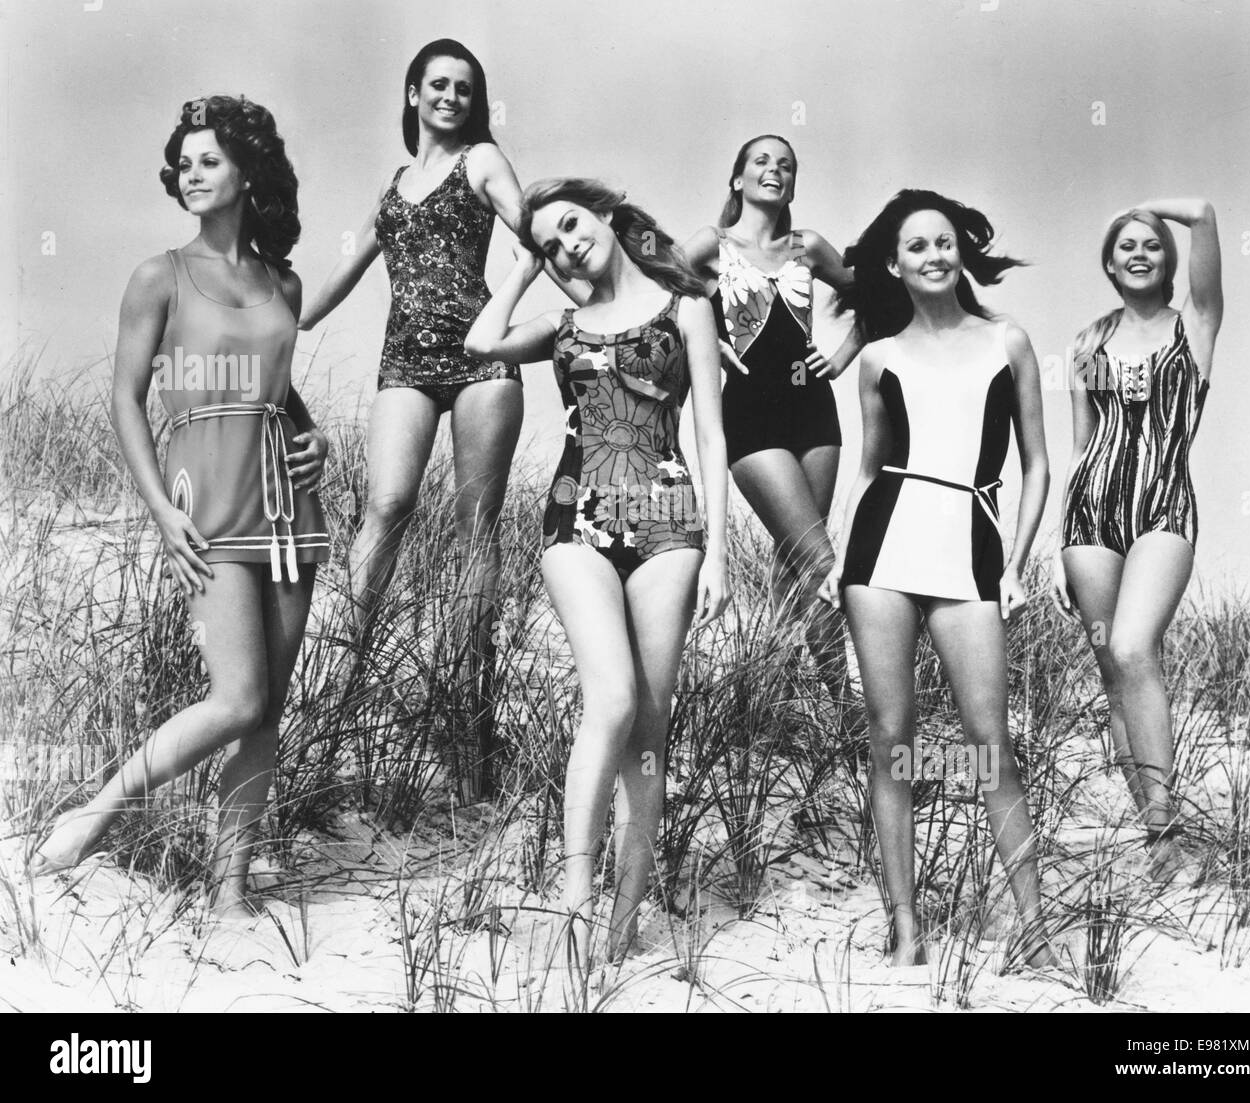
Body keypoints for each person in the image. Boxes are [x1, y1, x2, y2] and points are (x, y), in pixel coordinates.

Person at [32, 95, 329, 919]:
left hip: (287, 507)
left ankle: (230, 889)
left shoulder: (285, 282)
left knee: (266, 709)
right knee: (233, 695)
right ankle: (95, 813)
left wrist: (315, 440)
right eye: (184, 163)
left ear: (247, 171)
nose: (191, 174)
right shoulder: (158, 275)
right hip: (205, 506)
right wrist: (161, 510)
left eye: (209, 160)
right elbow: (126, 399)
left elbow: (276, 391)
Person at [299, 39, 577, 797]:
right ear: (414, 93)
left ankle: (467, 704)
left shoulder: (483, 159)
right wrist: (276, 313)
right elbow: (339, 272)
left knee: (474, 526)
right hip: (405, 363)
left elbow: (538, 237)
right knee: (386, 505)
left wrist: (519, 297)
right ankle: (339, 682)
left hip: (482, 359)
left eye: (464, 87)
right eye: (438, 85)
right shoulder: (393, 184)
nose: (451, 96)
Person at [465, 178, 730, 967]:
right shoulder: (561, 321)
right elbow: (481, 343)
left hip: (669, 521)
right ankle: (575, 901)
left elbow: (712, 435)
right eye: (552, 241)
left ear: (608, 217)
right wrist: (520, 266)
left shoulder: (687, 309)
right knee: (608, 697)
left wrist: (718, 551)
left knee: (648, 728)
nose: (568, 244)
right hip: (574, 516)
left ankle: (622, 921)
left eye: (573, 225)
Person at [821, 189, 1057, 968]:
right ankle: (905, 925)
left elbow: (1035, 465)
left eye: (944, 242)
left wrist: (1016, 566)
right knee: (892, 741)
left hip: (970, 549)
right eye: (916, 246)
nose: (933, 255)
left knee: (990, 741)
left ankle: (1034, 923)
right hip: (880, 554)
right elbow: (867, 467)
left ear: (962, 253)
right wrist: (837, 557)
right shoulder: (879, 357)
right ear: (894, 263)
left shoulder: (1008, 340)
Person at [1051, 200, 1222, 878]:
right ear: (1109, 261)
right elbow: (1081, 444)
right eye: (1125, 243)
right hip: (1091, 514)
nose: (1140, 251)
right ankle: (1156, 831)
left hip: (1163, 506)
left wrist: (1148, 204)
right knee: (1112, 673)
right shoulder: (1087, 343)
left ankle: (1167, 823)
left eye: (1151, 242)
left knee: (1131, 646)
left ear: (1167, 256)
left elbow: (1206, 215)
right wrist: (1059, 546)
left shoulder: (1195, 326)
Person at [683, 136, 860, 704]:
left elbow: (878, 297)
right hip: (751, 415)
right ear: (738, 179)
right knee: (822, 561)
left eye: (785, 165)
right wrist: (708, 334)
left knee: (795, 561)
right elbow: (658, 289)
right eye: (761, 161)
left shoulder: (808, 246)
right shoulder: (712, 245)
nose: (773, 171)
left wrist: (840, 355)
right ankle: (852, 712)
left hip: (814, 412)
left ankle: (769, 695)